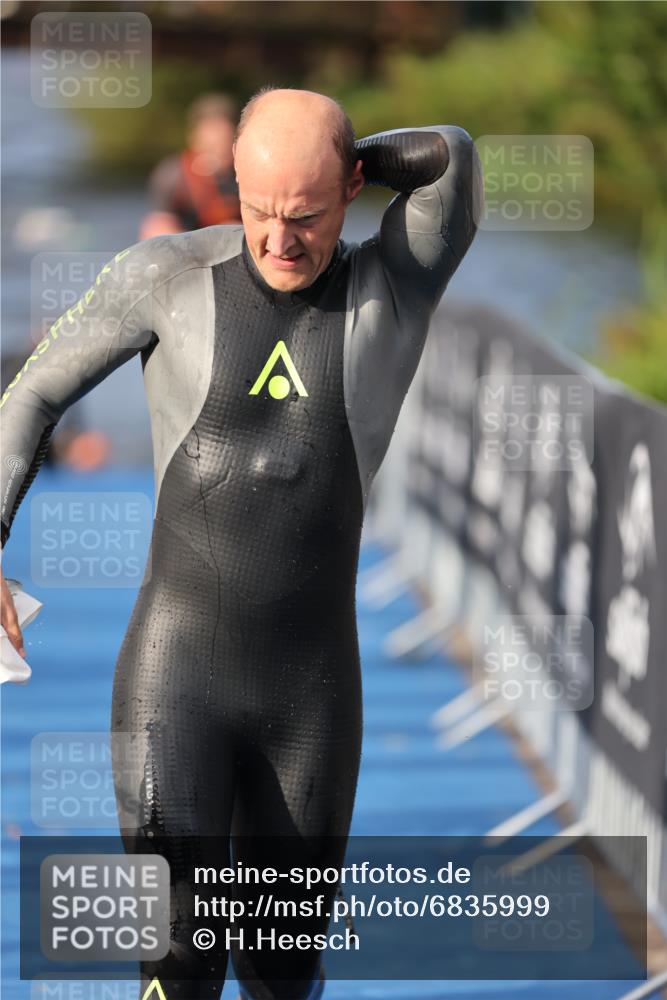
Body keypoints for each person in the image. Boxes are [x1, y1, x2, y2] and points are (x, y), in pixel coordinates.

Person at [0, 86, 482, 1000]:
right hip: (173, 679)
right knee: (179, 961)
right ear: (231, 182)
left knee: (279, 970)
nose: (277, 240)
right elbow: (31, 395)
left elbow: (452, 154)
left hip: (310, 696)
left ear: (352, 188)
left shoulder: (394, 284)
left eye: (306, 215)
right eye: (258, 209)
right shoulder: (166, 276)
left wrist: (340, 151)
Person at [139, 92, 242, 239]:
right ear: (193, 138)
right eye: (210, 146)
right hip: (189, 244)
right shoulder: (173, 173)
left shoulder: (247, 171)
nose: (217, 155)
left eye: (224, 143)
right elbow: (157, 226)